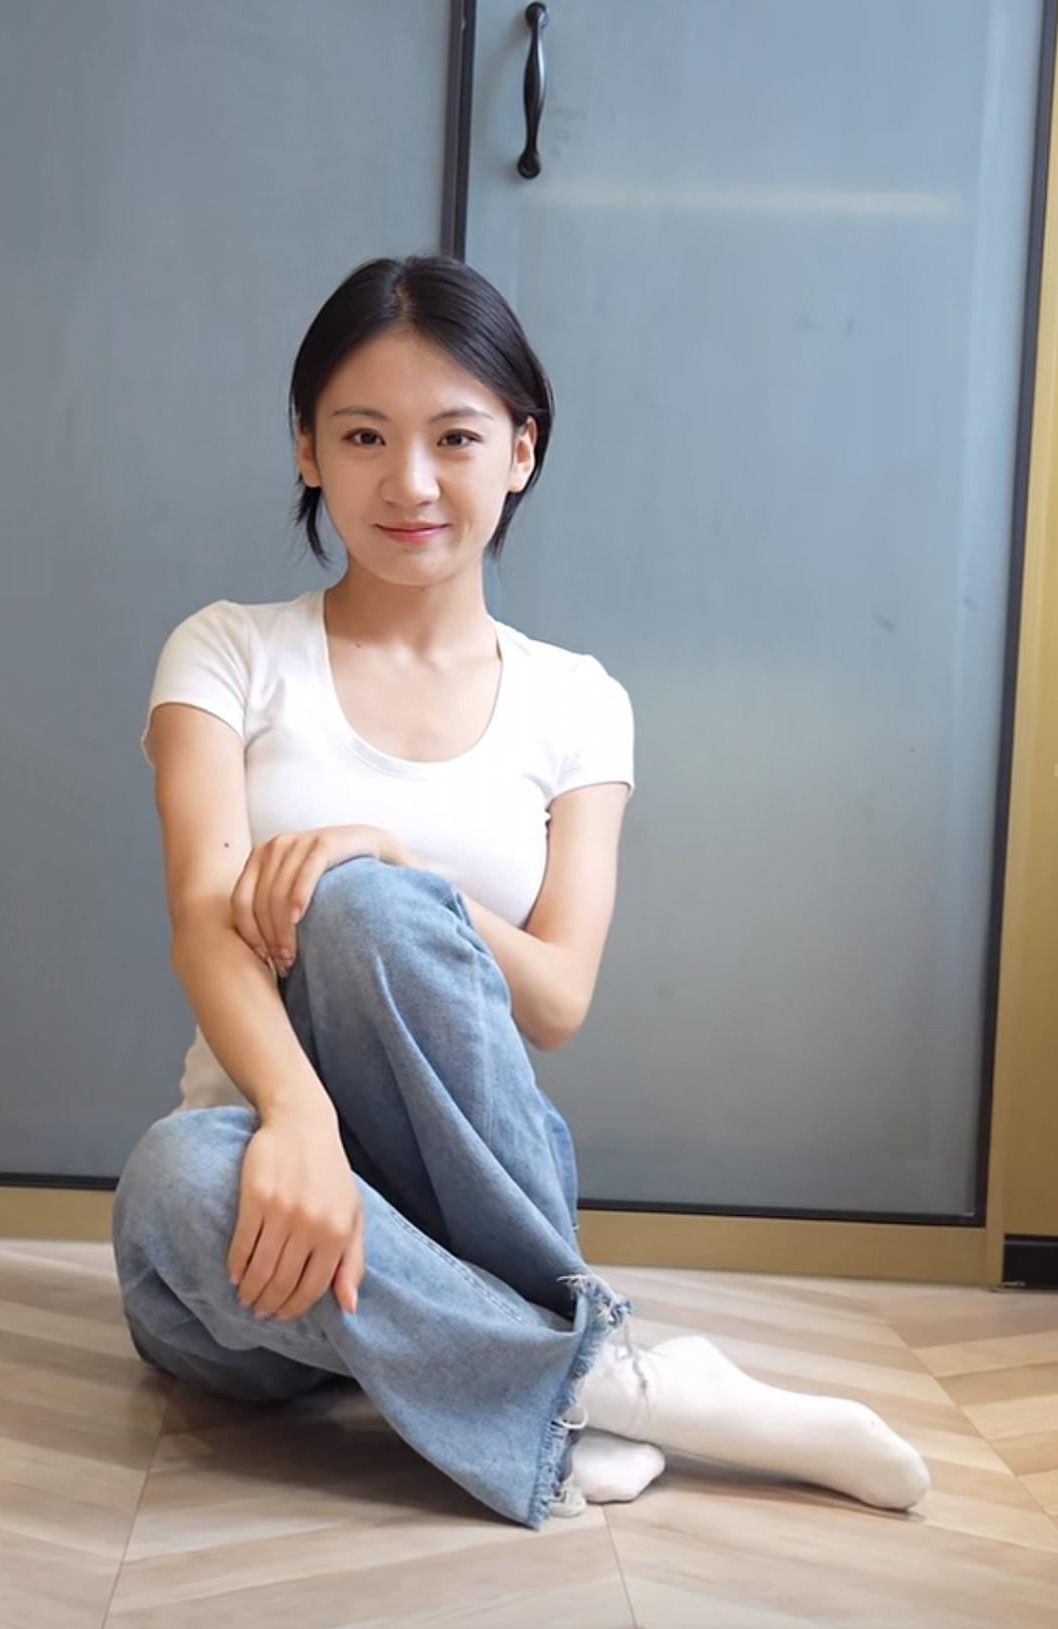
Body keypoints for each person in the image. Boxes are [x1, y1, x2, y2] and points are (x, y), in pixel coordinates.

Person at [111, 253, 932, 1530]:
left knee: (365, 904)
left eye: (454, 437)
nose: (411, 482)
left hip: (475, 1204)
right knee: (171, 1175)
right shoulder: (226, 653)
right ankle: (622, 1382)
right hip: (260, 1224)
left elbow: (554, 1000)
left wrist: (401, 864)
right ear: (306, 450)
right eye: (363, 436)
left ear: (521, 451)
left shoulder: (575, 701)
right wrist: (297, 1119)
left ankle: (517, 1382)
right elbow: (202, 923)